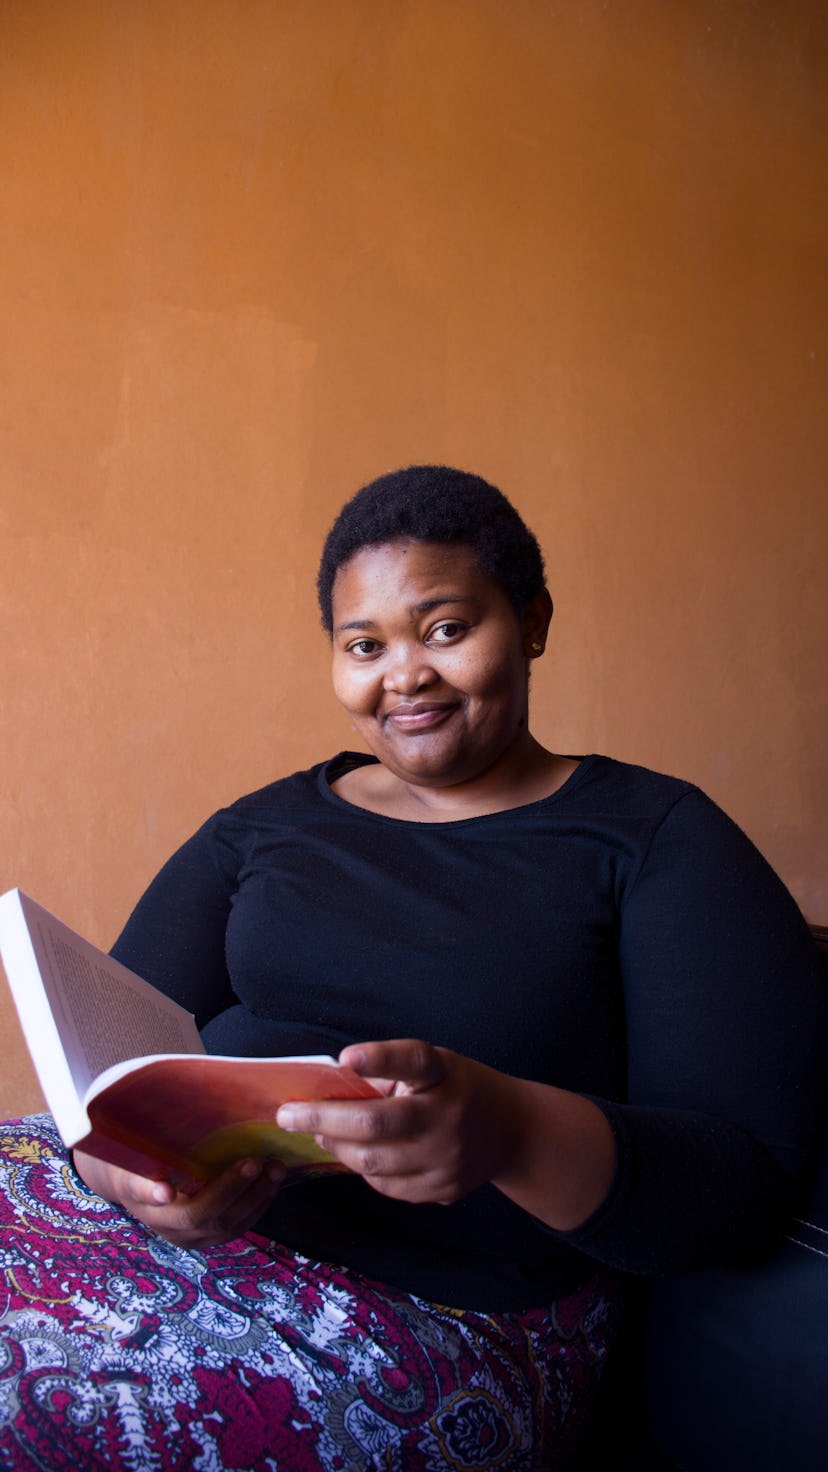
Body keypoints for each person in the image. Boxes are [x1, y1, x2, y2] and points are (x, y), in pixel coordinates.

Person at [0, 464, 825, 1472]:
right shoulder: (263, 826)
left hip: (442, 1316)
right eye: (365, 645)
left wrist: (507, 1128)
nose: (404, 675)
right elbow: (104, 1071)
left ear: (532, 621)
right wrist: (132, 1177)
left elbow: (740, 1180)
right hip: (184, 1239)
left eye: (445, 628)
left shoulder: (655, 839)